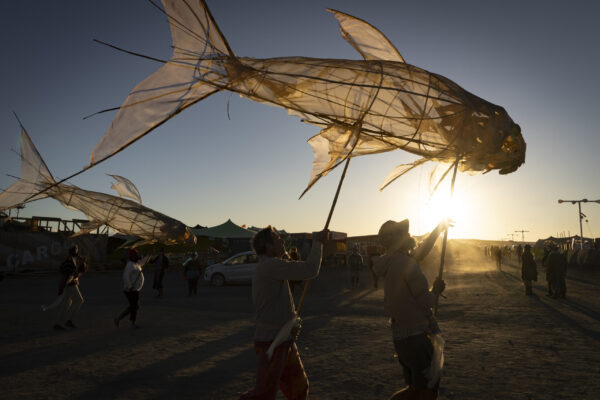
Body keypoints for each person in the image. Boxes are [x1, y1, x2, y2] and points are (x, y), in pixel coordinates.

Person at [240, 226, 328, 400]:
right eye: (277, 239)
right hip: (271, 342)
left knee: (299, 389)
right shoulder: (270, 266)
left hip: (282, 339)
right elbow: (310, 270)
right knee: (264, 395)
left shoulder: (271, 265)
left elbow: (293, 274)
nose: (282, 240)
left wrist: (291, 324)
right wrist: (318, 243)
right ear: (268, 246)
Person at [373, 219, 448, 400]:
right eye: (406, 234)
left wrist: (437, 230)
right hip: (416, 337)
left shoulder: (391, 262)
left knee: (415, 389)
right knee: (427, 391)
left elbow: (421, 251)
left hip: (401, 338)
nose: (410, 237)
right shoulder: (407, 264)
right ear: (402, 239)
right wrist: (436, 291)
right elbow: (425, 301)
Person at [51, 245, 86, 330]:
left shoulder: (72, 261)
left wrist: (82, 266)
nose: (76, 252)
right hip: (70, 285)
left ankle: (58, 323)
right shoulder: (69, 262)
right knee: (79, 300)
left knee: (66, 304)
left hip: (69, 284)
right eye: (75, 250)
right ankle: (69, 320)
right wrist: (61, 287)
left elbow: (76, 274)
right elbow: (65, 276)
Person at [115, 249, 145, 329]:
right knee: (134, 306)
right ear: (132, 257)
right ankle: (131, 322)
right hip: (130, 290)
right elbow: (126, 276)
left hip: (135, 289)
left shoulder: (136, 264)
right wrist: (130, 286)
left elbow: (142, 263)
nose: (137, 256)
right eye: (136, 255)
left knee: (134, 306)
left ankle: (119, 319)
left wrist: (144, 257)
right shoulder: (130, 265)